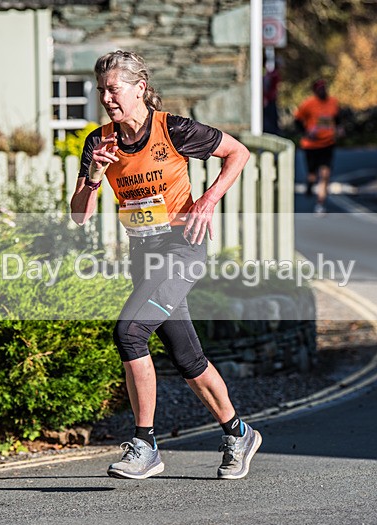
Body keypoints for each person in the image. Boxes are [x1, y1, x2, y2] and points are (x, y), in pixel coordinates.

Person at [70, 50, 261, 480]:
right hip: (144, 255)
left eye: (114, 88)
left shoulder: (172, 129)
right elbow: (79, 215)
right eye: (101, 90)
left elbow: (238, 153)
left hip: (183, 249)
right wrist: (95, 177)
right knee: (187, 357)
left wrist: (208, 201)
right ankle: (239, 432)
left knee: (130, 330)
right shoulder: (98, 142)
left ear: (139, 89)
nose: (107, 98)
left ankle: (145, 444)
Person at [294, 78, 343, 214]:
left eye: (324, 88)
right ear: (315, 91)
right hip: (311, 145)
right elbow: (297, 119)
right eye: (320, 89)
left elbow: (337, 118)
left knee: (325, 174)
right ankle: (310, 183)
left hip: (327, 143)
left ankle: (320, 204)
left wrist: (339, 128)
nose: (323, 91)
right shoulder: (309, 104)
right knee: (312, 174)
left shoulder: (333, 102)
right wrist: (306, 132)